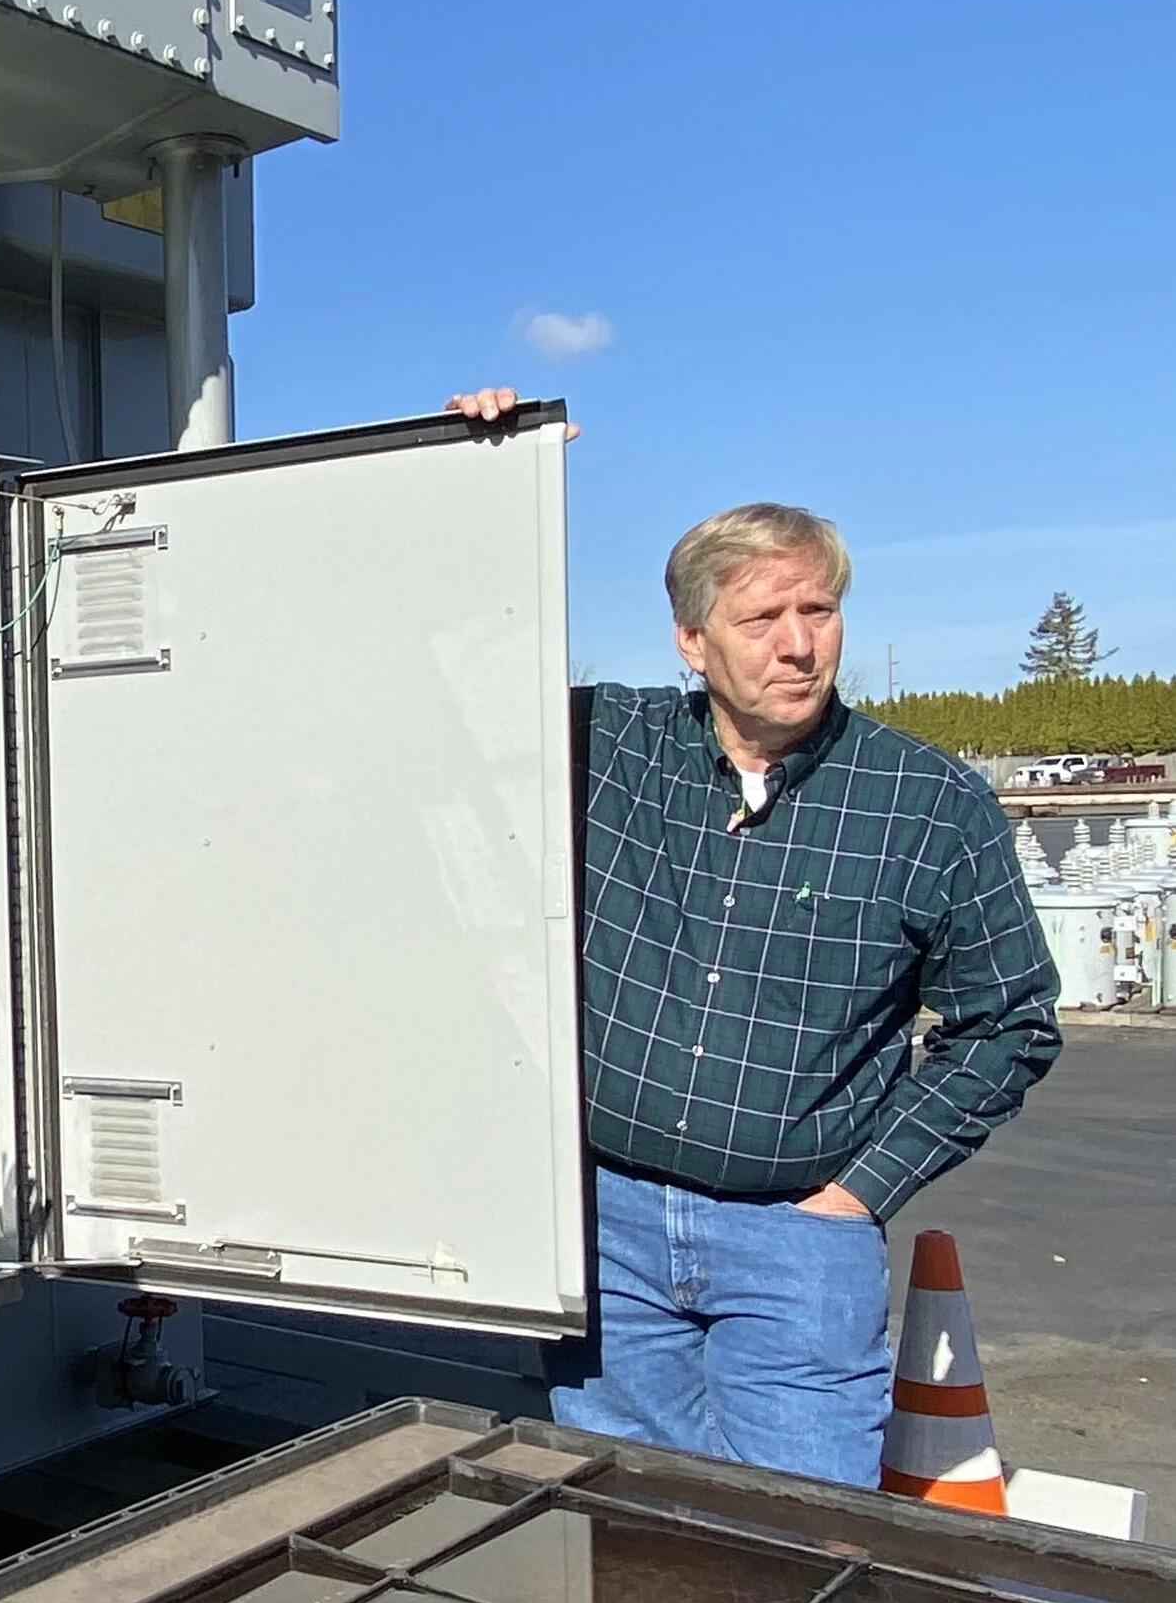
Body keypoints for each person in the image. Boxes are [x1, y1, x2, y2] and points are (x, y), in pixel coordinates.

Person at [451, 392, 1059, 1481]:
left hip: (797, 1240)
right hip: (609, 1229)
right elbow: (445, 671)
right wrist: (471, 475)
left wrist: (855, 1194)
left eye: (816, 613)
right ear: (692, 641)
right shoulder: (605, 747)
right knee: (624, 1527)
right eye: (760, 620)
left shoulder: (925, 803)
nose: (796, 646)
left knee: (803, 1540)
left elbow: (1006, 1024)